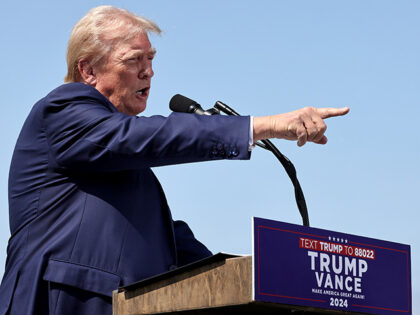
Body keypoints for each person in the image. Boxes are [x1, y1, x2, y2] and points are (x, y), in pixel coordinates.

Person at [0, 5, 349, 315]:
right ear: (88, 69)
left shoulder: (127, 166)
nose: (148, 71)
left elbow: (172, 248)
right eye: (134, 59)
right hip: (67, 302)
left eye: (151, 59)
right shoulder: (63, 110)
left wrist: (264, 278)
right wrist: (261, 126)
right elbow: (152, 137)